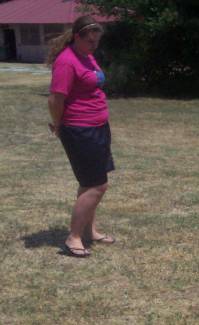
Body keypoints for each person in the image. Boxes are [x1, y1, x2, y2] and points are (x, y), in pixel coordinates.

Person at [47, 15, 115, 257]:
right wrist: (58, 124)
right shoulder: (66, 61)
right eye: (90, 42)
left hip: (97, 126)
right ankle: (73, 237)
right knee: (98, 185)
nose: (93, 46)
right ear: (77, 37)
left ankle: (90, 230)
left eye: (96, 42)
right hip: (80, 129)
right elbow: (56, 98)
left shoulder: (86, 56)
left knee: (89, 182)